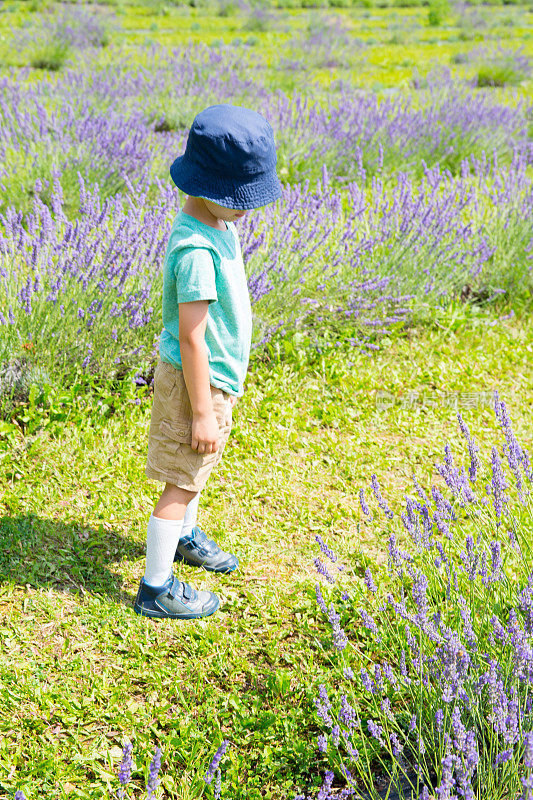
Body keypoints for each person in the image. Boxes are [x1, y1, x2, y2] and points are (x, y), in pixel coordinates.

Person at [134, 104, 282, 620]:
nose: (249, 210)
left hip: (213, 380)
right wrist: (200, 410)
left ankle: (186, 537)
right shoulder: (197, 248)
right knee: (180, 477)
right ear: (217, 191)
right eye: (244, 201)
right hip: (197, 382)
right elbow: (193, 338)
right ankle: (155, 587)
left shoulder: (216, 223)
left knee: (196, 469)